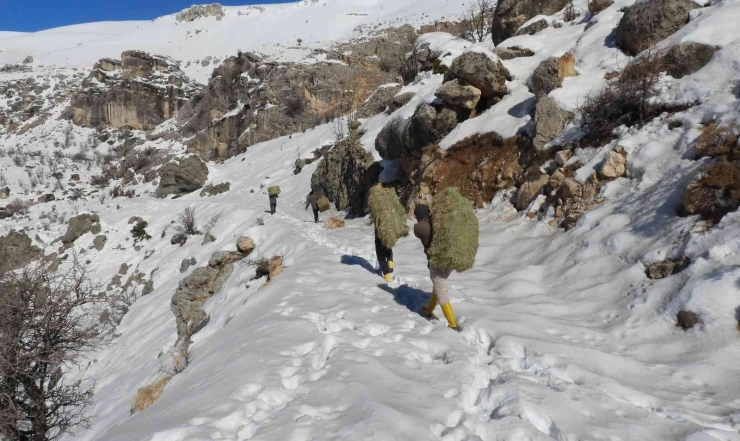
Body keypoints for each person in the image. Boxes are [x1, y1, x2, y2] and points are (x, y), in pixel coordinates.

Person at [413, 204, 459, 331]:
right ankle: (428, 310)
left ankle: (452, 323)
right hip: (449, 260)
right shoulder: (438, 222)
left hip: (436, 261)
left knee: (441, 290)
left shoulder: (419, 227)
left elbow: (418, 229)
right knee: (437, 285)